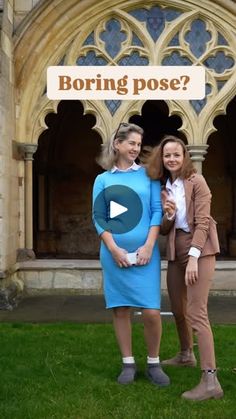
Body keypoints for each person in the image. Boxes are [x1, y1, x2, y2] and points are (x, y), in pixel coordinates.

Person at [146, 135, 223, 401]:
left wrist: (193, 258)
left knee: (197, 312)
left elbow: (202, 223)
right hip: (175, 248)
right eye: (167, 155)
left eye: (176, 154)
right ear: (162, 158)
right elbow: (167, 229)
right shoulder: (165, 185)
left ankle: (210, 380)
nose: (172, 159)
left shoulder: (197, 181)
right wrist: (168, 213)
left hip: (200, 250)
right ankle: (185, 354)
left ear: (184, 156)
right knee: (178, 308)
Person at [92, 122, 169, 386]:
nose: (136, 148)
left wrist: (149, 245)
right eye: (131, 143)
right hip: (114, 255)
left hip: (146, 254)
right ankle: (128, 364)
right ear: (117, 144)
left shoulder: (148, 174)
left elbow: (157, 211)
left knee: (151, 311)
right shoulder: (102, 179)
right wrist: (113, 249)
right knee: (121, 309)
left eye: (138, 143)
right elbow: (99, 216)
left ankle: (153, 363)